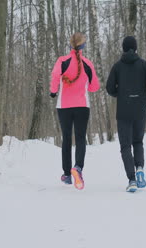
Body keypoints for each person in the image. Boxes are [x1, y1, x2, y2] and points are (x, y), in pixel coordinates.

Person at [106, 36, 146, 192]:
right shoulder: (144, 65)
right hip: (139, 109)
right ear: (135, 48)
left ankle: (132, 179)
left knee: (125, 146)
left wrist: (120, 94)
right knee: (138, 142)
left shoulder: (117, 67)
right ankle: (140, 168)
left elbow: (109, 88)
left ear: (123, 48)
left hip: (123, 111)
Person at [50, 32, 100, 190]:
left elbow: (54, 75)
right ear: (83, 46)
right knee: (80, 137)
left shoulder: (62, 61)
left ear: (70, 45)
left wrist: (53, 91)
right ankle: (77, 167)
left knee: (66, 138)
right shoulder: (87, 64)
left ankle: (66, 175)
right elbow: (95, 87)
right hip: (82, 106)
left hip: (64, 106)